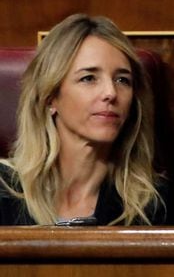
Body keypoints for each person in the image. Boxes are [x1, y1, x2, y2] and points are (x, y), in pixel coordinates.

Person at [0, 13, 165, 225]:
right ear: (50, 97)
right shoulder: (5, 189)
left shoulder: (150, 202)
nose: (111, 93)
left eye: (122, 80)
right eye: (88, 78)